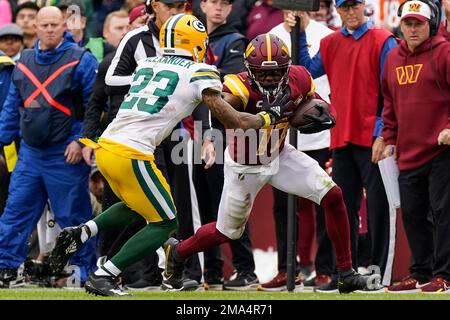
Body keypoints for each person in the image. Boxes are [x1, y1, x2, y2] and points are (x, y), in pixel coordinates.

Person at [48, 14, 289, 296]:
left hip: (108, 146)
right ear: (198, 42)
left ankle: (82, 232)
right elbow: (229, 116)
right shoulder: (200, 70)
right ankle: (105, 275)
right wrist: (265, 118)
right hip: (132, 152)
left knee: (138, 206)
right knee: (166, 223)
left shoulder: (148, 63)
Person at [163, 32, 379, 294]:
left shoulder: (300, 77)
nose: (268, 79)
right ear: (248, 70)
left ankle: (346, 273)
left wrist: (323, 112)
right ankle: (179, 250)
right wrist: (266, 115)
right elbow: (229, 114)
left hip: (279, 154)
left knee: (333, 195)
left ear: (287, 68)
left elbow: (318, 102)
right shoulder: (237, 85)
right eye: (262, 73)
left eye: (275, 73)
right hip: (245, 166)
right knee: (226, 232)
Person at [298, 0, 398, 289]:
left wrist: (384, 133)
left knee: (379, 208)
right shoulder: (330, 43)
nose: (351, 12)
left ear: (364, 8)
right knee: (341, 209)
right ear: (338, 11)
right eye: (345, 7)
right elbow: (305, 71)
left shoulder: (383, 40)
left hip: (373, 139)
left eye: (355, 6)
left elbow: (391, 91)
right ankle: (348, 273)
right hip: (341, 139)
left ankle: (381, 273)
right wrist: (302, 32)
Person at [0, 6, 98, 288]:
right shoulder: (25, 60)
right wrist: (2, 138)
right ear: (36, 28)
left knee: (74, 216)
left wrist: (81, 140)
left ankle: (82, 270)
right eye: (45, 25)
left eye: (55, 24)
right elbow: (12, 105)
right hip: (31, 153)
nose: (50, 29)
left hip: (64, 153)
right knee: (16, 212)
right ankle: (7, 268)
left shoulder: (80, 59)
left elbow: (94, 105)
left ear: (64, 25)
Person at [261, 10, 335, 291]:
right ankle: (286, 268)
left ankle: (325, 268)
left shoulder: (325, 35)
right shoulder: (271, 37)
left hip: (318, 134)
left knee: (324, 199)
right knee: (282, 205)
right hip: (280, 133)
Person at [381, 0, 450, 293]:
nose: (412, 29)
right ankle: (420, 272)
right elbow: (389, 104)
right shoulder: (393, 59)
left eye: (418, 23)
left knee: (443, 212)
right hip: (407, 153)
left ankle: (445, 274)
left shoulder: (445, 53)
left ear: (430, 25)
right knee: (412, 214)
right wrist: (389, 138)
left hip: (441, 150)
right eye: (408, 23)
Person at [191, 0, 259, 291]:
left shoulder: (235, 41)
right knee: (206, 204)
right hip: (194, 130)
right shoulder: (191, 37)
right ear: (202, 5)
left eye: (224, 3)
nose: (218, 8)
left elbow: (222, 89)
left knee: (229, 201)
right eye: (213, 1)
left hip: (224, 134)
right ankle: (214, 272)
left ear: (231, 9)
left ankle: (246, 270)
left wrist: (210, 134)